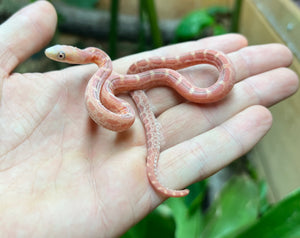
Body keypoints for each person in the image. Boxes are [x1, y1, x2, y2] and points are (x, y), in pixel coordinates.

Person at [0, 1, 298, 237]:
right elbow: (122, 106)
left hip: (132, 85)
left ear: (80, 55)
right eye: (61, 57)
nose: (58, 58)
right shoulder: (105, 79)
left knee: (151, 76)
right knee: (136, 88)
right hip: (121, 94)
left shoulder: (102, 73)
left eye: (62, 56)